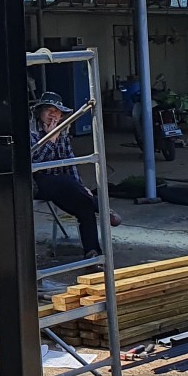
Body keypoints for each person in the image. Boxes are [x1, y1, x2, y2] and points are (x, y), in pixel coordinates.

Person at [29, 92, 118, 256]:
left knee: (85, 207)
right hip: (36, 184)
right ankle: (105, 210)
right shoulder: (31, 132)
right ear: (40, 112)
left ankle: (92, 253)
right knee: (65, 180)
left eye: (56, 112)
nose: (52, 115)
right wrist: (50, 140)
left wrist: (82, 187)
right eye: (48, 110)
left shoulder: (62, 132)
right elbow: (34, 163)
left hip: (62, 185)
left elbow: (70, 162)